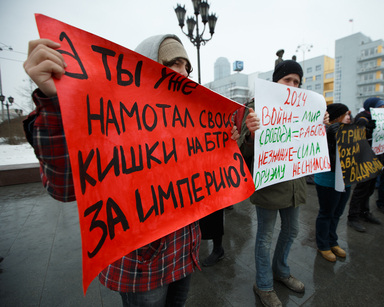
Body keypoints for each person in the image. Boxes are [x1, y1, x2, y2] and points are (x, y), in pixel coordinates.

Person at [22, 34, 243, 306]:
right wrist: (53, 102)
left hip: (185, 253)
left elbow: (210, 179)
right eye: (174, 63)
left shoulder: (191, 124)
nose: (185, 73)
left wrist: (225, 142)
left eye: (188, 67)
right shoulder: (113, 125)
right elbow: (65, 186)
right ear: (145, 69)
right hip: (144, 269)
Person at [238, 60, 328, 307]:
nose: (292, 85)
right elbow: (240, 154)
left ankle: (281, 270)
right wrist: (251, 136)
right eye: (287, 80)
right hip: (269, 186)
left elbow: (308, 145)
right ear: (276, 81)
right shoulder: (256, 108)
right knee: (265, 237)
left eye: (296, 82)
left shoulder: (303, 109)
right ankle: (264, 284)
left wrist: (320, 125)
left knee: (292, 231)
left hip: (295, 185)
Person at [315, 103, 352, 262]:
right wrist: (330, 131)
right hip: (328, 179)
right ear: (337, 116)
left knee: (337, 213)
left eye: (350, 114)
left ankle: (333, 241)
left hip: (347, 178)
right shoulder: (326, 131)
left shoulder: (350, 130)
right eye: (346, 115)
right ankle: (323, 244)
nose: (349, 118)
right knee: (327, 213)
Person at [347, 97, 384, 232]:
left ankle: (365, 212)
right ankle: (353, 217)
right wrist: (368, 128)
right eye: (379, 107)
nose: (382, 109)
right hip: (364, 159)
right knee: (361, 189)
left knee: (369, 189)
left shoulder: (380, 119)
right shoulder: (362, 118)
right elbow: (358, 135)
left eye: (383, 107)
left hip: (376, 157)